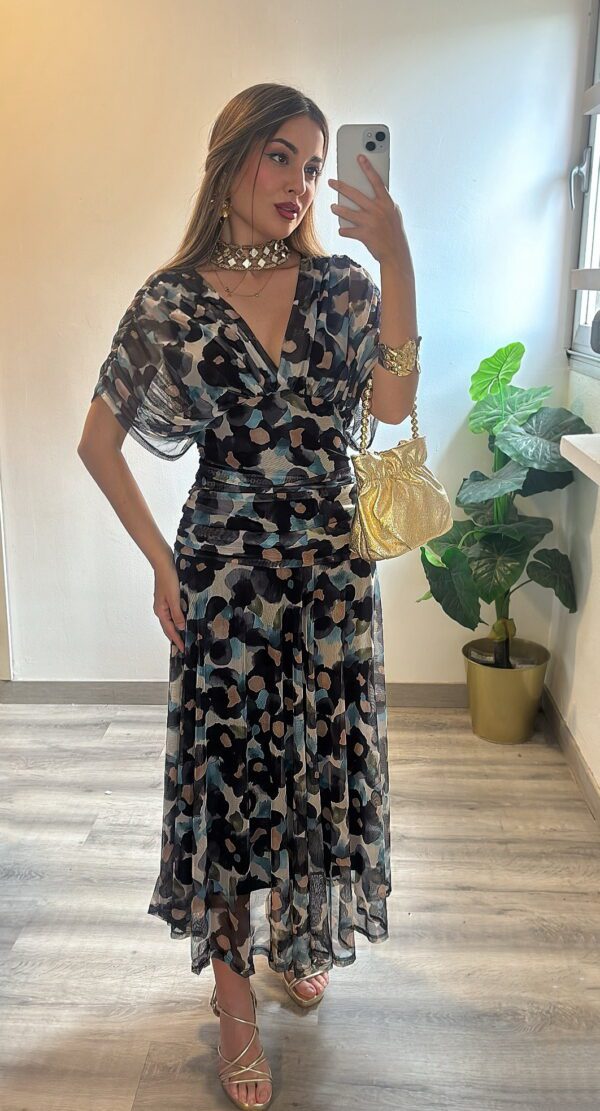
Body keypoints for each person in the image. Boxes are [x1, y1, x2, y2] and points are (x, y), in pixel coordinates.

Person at [78, 82, 419, 1111]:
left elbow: (392, 400)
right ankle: (234, 1008)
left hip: (330, 578)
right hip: (224, 582)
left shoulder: (343, 285)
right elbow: (98, 442)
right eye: (281, 156)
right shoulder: (172, 301)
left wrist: (397, 257)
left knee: (313, 770)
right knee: (228, 789)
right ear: (230, 158)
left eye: (313, 165)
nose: (300, 181)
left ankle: (298, 938)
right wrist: (160, 561)